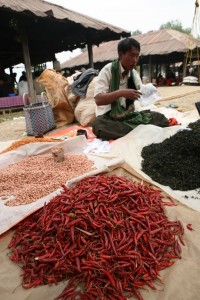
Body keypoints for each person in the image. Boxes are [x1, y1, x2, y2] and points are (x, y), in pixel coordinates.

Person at [92, 38, 169, 140]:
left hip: (128, 115)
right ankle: (140, 130)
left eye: (137, 56)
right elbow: (98, 99)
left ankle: (134, 130)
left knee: (160, 118)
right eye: (132, 55)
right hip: (109, 117)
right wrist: (121, 93)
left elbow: (141, 93)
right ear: (120, 55)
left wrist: (150, 89)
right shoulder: (108, 70)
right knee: (98, 125)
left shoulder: (133, 73)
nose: (135, 60)